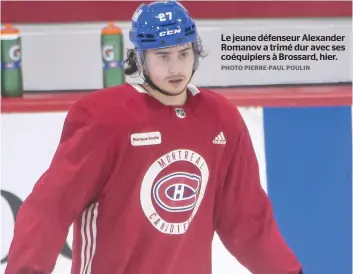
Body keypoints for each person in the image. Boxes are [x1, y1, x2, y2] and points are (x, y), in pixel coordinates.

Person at [5, 1, 304, 274]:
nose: (175, 67)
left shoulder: (221, 119)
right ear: (141, 58)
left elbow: (247, 219)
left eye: (183, 53)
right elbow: (51, 204)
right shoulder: (105, 118)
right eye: (163, 56)